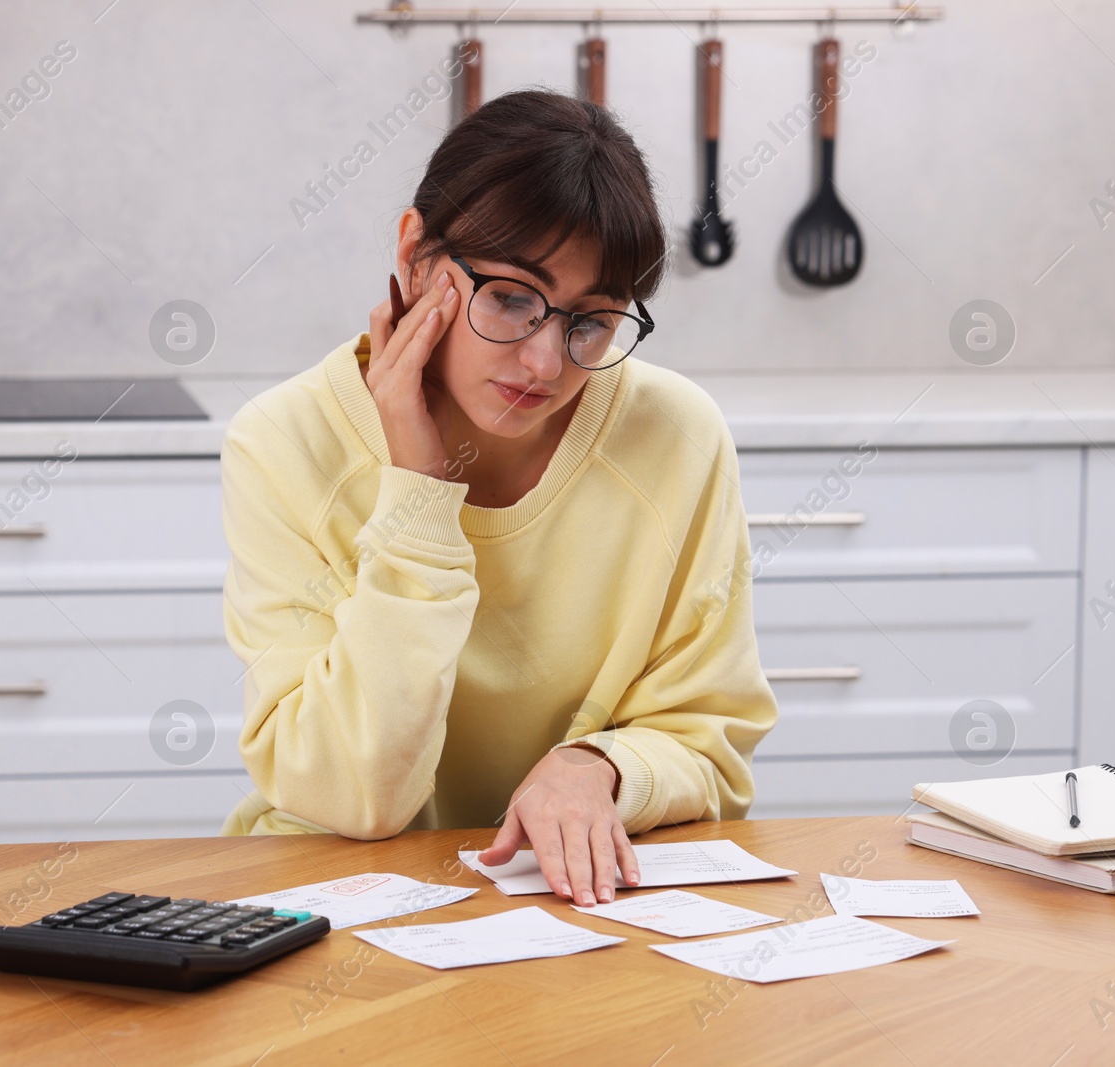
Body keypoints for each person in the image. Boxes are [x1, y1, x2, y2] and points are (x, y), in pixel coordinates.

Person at [218, 88, 777, 907]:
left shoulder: (677, 437)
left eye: (591, 322)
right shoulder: (283, 443)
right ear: (415, 253)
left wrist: (602, 766)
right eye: (512, 297)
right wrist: (416, 493)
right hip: (328, 896)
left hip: (573, 902)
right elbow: (350, 798)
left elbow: (712, 743)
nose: (545, 363)